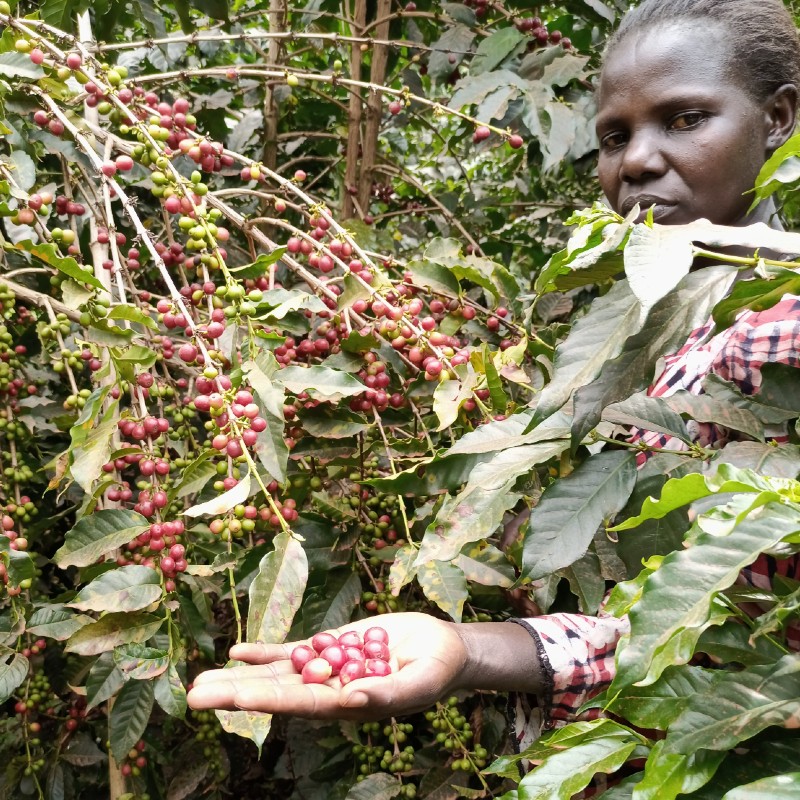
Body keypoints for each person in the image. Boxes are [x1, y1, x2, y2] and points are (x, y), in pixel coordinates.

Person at [187, 0, 800, 746]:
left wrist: (479, 650)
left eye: (683, 120)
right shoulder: (652, 325)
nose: (635, 161)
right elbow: (661, 617)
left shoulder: (781, 329)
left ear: (778, 119)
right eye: (615, 136)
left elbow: (729, 650)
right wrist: (469, 648)